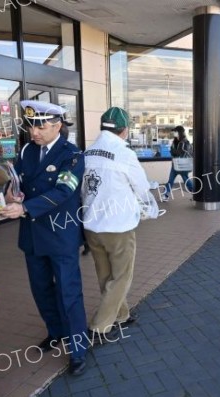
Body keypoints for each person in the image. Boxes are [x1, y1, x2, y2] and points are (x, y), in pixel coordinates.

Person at [0, 100, 88, 376]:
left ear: (58, 125)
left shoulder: (71, 154)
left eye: (41, 126)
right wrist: (11, 193)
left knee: (68, 292)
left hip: (61, 234)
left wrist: (24, 207)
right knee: (41, 290)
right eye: (31, 125)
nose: (34, 132)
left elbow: (63, 192)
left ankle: (78, 348)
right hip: (34, 236)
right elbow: (18, 182)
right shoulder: (27, 151)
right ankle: (56, 331)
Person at [80, 107, 149, 340]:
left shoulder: (88, 152)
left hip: (91, 226)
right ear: (125, 129)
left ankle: (121, 314)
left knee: (105, 274)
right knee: (121, 278)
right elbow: (141, 186)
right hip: (118, 226)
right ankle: (99, 326)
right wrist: (148, 207)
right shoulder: (123, 153)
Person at [162, 125, 193, 201]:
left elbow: (180, 152)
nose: (174, 133)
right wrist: (175, 152)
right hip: (175, 164)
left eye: (175, 131)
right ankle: (165, 195)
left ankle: (196, 194)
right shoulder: (174, 141)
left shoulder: (185, 142)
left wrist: (175, 152)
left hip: (182, 165)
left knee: (186, 181)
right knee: (170, 180)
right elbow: (172, 151)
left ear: (180, 132)